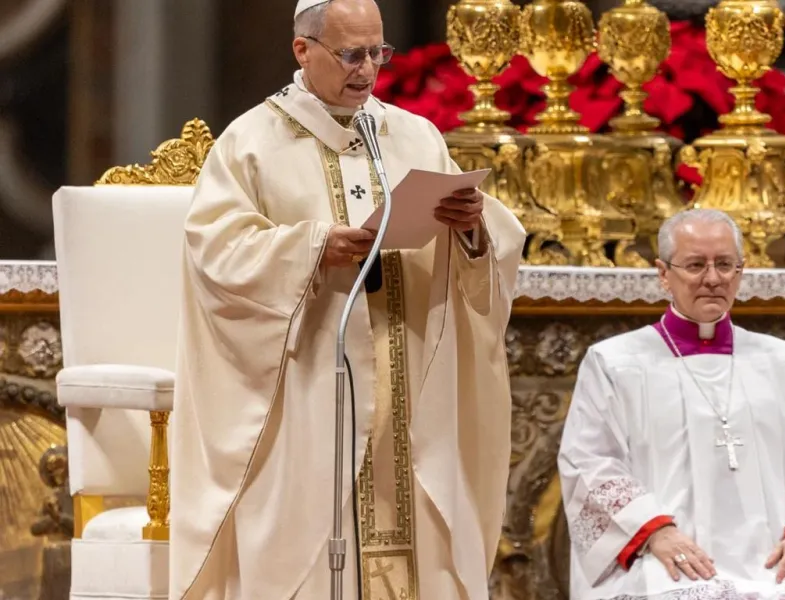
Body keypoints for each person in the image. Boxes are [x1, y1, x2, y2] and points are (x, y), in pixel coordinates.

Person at [167, 0, 525, 599]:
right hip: (309, 380)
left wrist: (470, 226)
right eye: (350, 54)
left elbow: (486, 244)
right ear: (302, 50)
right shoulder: (250, 142)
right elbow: (214, 250)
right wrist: (312, 248)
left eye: (378, 53)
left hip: (406, 373)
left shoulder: (412, 134)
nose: (367, 71)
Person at [557, 209, 785, 600]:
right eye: (696, 265)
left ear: (741, 272)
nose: (713, 279)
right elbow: (588, 460)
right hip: (662, 556)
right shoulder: (615, 362)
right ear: (663, 273)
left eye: (725, 265)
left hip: (772, 558)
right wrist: (654, 531)